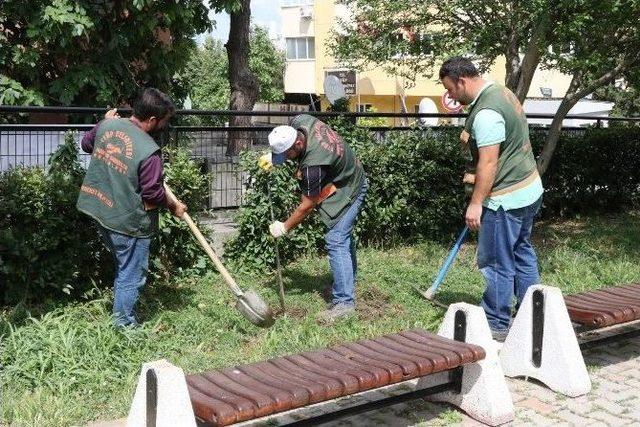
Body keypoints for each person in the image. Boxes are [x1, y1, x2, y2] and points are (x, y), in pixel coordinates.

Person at [439, 56, 544, 341]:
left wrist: (476, 203)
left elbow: (488, 164)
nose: (450, 95)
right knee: (521, 250)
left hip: (505, 198)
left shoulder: (486, 113)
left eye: (450, 89)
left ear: (462, 81)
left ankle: (496, 322)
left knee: (496, 260)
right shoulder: (501, 91)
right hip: (529, 188)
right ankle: (532, 313)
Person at [77, 88, 186, 327]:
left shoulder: (106, 125)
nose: (164, 127)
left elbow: (86, 144)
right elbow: (152, 193)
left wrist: (103, 124)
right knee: (131, 274)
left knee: (123, 267)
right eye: (164, 122)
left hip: (99, 210)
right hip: (126, 222)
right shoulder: (150, 152)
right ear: (153, 120)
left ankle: (120, 312)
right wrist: (174, 206)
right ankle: (124, 326)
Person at [263, 114, 367, 322]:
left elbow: (307, 205)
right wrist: (273, 155)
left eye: (287, 155)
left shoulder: (313, 166)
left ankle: (344, 302)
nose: (287, 160)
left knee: (336, 239)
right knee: (343, 236)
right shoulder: (300, 121)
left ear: (299, 144)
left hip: (351, 186)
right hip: (346, 175)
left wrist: (283, 227)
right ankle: (347, 281)